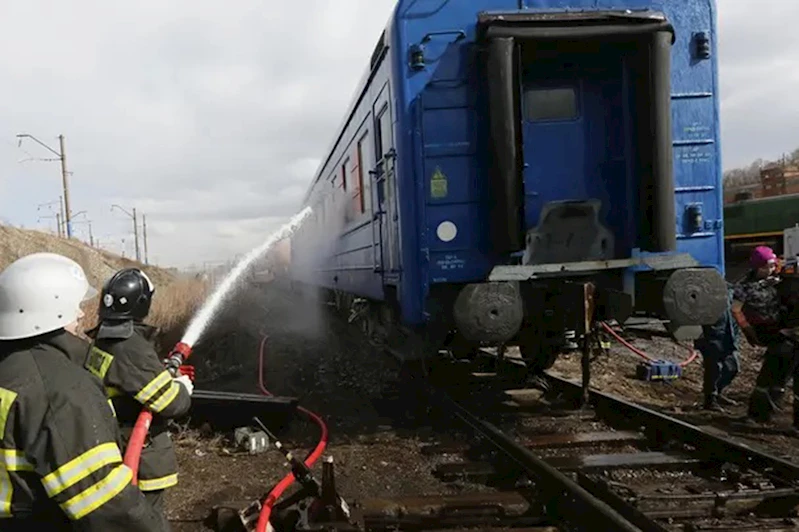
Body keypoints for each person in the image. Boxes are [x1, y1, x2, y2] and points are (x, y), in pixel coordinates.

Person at [0, 252, 166, 530]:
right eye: (74, 306)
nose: (80, 314)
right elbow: (105, 502)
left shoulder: (11, 369)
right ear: (52, 310)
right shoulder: (60, 390)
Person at [82, 267, 192, 527]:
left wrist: (158, 373)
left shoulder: (103, 339)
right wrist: (183, 389)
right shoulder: (129, 346)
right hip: (140, 455)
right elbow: (171, 403)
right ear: (143, 304)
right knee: (147, 522)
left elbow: (128, 381)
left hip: (117, 446)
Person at [731, 245, 797, 426]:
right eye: (767, 266)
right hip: (771, 331)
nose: (771, 269)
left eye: (773, 265)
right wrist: (749, 331)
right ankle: (763, 413)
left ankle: (764, 413)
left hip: (785, 332)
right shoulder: (746, 287)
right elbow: (736, 310)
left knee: (776, 374)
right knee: (774, 374)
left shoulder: (781, 279)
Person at [695, 286, 741, 412]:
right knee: (714, 368)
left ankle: (718, 392)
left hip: (728, 335)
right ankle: (710, 399)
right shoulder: (706, 289)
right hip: (712, 336)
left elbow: (736, 310)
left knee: (733, 367)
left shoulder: (731, 289)